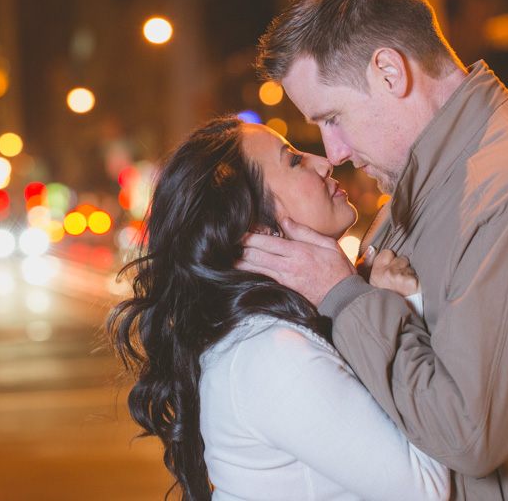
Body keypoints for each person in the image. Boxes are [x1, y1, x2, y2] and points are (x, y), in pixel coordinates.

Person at [241, 0, 508, 500]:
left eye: (331, 117)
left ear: (390, 72)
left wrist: (345, 295)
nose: (332, 151)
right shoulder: (421, 189)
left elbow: (468, 435)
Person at [108, 116, 450, 501]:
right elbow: (429, 489)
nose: (323, 162)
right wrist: (398, 307)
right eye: (293, 161)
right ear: (256, 226)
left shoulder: (277, 331)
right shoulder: (271, 355)